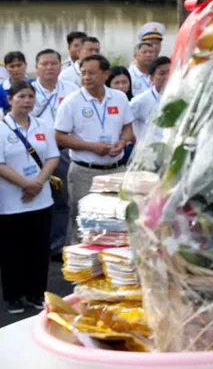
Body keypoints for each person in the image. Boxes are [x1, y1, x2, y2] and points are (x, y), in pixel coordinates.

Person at [54, 55, 135, 242]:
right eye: (83, 73)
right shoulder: (72, 102)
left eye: (92, 73)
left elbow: (128, 127)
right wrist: (92, 147)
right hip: (85, 173)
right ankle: (81, 268)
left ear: (106, 74)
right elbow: (59, 136)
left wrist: (122, 142)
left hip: (116, 170)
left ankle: (111, 267)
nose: (86, 77)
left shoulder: (119, 97)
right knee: (83, 225)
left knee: (118, 222)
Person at [0, 81, 60, 314]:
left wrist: (38, 183)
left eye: (31, 97)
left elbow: (53, 156)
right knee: (12, 251)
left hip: (41, 198)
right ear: (10, 100)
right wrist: (25, 184)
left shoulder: (43, 125)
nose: (27, 101)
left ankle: (37, 293)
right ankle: (14, 297)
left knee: (38, 248)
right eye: (21, 96)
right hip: (11, 201)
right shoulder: (2, 128)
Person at [31, 49, 78, 257]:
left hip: (64, 151)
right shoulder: (28, 91)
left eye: (53, 64)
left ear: (61, 67)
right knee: (35, 198)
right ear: (36, 68)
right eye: (44, 64)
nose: (49, 68)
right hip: (34, 155)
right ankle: (37, 245)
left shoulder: (71, 89)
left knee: (62, 201)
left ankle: (58, 245)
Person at [130, 56, 170, 145]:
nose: (167, 77)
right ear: (151, 78)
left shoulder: (179, 97)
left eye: (170, 72)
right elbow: (124, 122)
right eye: (162, 73)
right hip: (149, 152)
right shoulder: (140, 100)